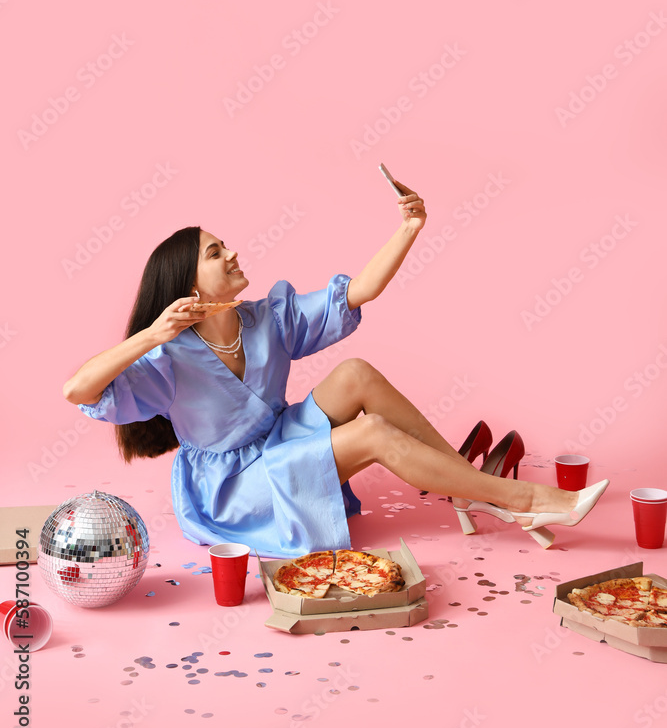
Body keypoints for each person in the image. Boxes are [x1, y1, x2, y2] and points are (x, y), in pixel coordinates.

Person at [63, 181, 608, 557]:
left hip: (277, 444)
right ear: (188, 285)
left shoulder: (265, 319)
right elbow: (78, 390)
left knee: (356, 373)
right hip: (236, 489)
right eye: (214, 253)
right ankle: (526, 501)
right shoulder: (168, 358)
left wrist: (408, 228)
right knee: (369, 432)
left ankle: (468, 488)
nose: (231, 254)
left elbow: (358, 293)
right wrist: (155, 333)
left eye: (225, 245)